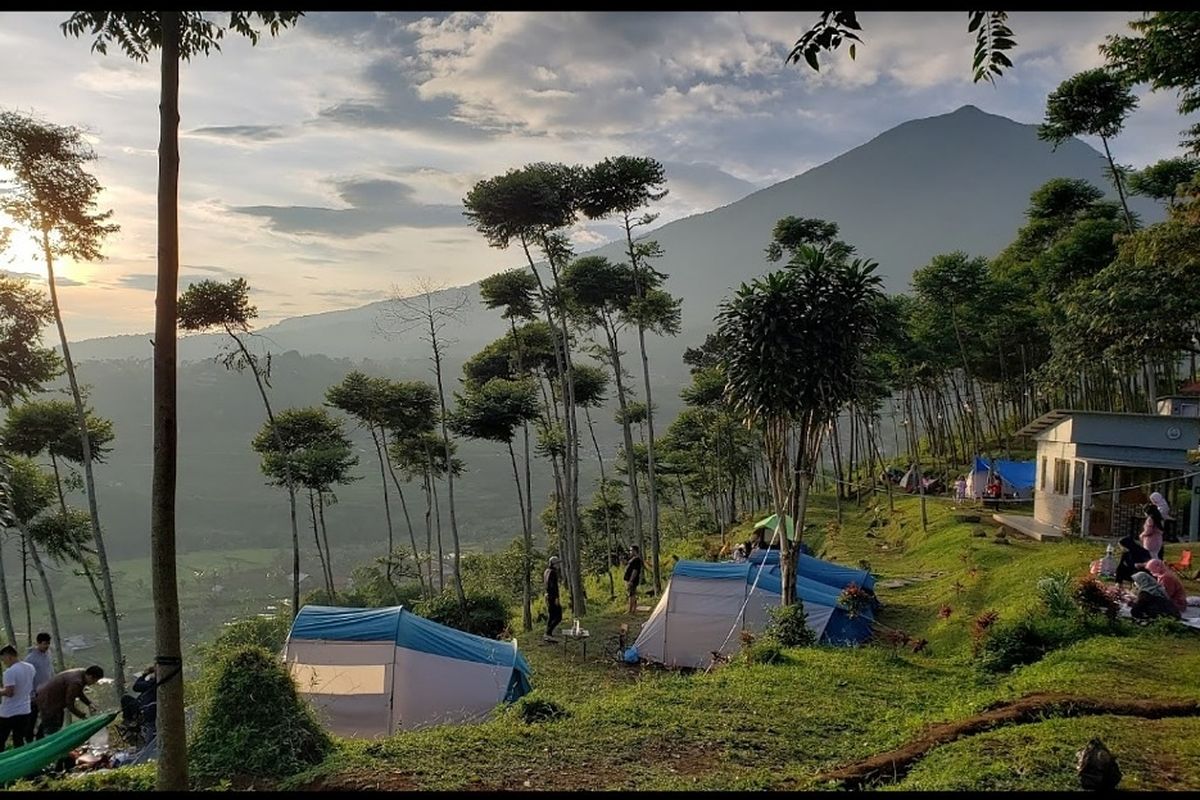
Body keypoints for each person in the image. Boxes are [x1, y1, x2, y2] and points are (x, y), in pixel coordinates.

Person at [34, 665, 103, 738]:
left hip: (49, 698)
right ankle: (45, 745)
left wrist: (89, 703)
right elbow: (70, 704)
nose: (94, 683)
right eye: (95, 680)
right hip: (48, 701)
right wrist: (82, 716)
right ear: (90, 676)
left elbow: (78, 692)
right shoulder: (76, 682)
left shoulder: (82, 673)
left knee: (52, 723)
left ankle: (39, 740)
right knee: (52, 726)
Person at [0, 645, 36, 752]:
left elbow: (9, 692)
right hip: (25, 709)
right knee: (19, 740)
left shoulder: (10, 672)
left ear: (9, 656)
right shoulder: (30, 667)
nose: (4, 662)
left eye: (3, 659)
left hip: (9, 712)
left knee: (1, 740)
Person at [23, 632, 53, 740]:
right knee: (32, 719)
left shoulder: (48, 654)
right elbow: (27, 679)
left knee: (47, 718)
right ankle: (29, 741)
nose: (47, 646)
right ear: (38, 643)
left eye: (48, 643)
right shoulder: (30, 659)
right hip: (34, 695)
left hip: (46, 693)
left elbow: (50, 671)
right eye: (45, 643)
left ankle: (40, 739)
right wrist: (32, 694)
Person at [132, 665, 158, 744]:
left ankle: (148, 747)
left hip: (149, 709)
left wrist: (144, 675)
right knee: (151, 728)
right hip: (150, 708)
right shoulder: (155, 682)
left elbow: (136, 687)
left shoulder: (153, 682)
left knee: (151, 728)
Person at [543, 556, 563, 643]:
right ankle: (548, 633)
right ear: (553, 564)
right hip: (552, 596)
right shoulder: (553, 573)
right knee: (558, 616)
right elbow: (553, 587)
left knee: (551, 616)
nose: (558, 565)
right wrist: (556, 598)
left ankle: (548, 634)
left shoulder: (546, 571)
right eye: (557, 563)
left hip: (548, 596)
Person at [624, 545, 644, 614]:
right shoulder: (633, 559)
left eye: (631, 550)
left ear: (635, 551)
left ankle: (630, 610)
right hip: (629, 579)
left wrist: (631, 580)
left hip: (632, 580)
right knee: (632, 594)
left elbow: (635, 571)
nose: (630, 552)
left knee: (631, 594)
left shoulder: (637, 560)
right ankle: (633, 609)